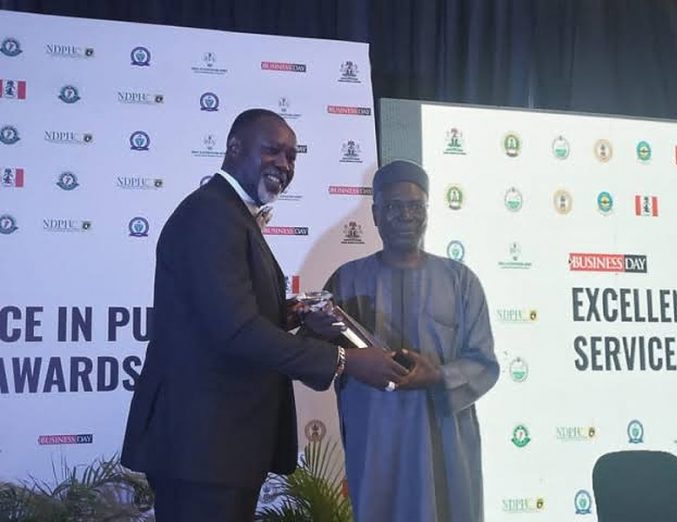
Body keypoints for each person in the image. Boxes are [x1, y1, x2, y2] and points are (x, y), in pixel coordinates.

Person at [120, 109, 408, 522]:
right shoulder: (211, 215)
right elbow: (236, 331)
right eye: (273, 150)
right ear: (234, 147)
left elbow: (222, 315)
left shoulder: (232, 215)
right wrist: (346, 360)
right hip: (201, 447)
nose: (284, 164)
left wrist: (291, 315)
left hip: (219, 448)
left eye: (292, 156)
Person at [318, 160, 500, 522]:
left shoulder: (460, 281)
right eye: (393, 207)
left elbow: (484, 363)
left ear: (427, 211)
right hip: (375, 438)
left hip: (444, 442)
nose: (405, 216)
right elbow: (319, 356)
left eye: (415, 206)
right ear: (375, 214)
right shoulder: (346, 281)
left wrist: (438, 376)